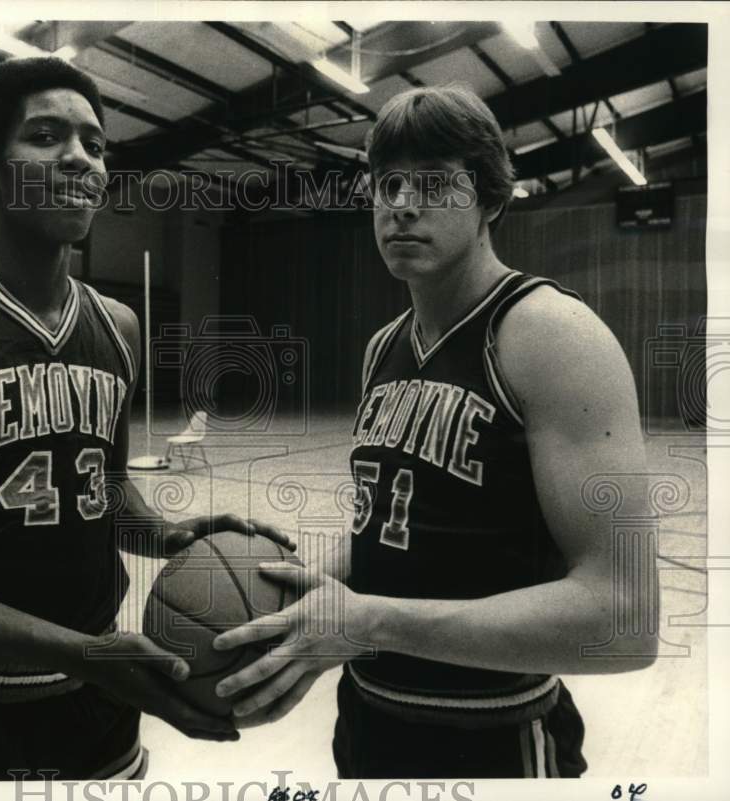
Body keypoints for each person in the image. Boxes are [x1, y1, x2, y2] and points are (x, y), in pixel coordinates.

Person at [0, 56, 290, 782]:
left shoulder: (120, 326)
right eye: (46, 136)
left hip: (101, 704)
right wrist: (79, 652)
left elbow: (102, 490)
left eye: (96, 145)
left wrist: (165, 533)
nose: (80, 158)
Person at [211, 85, 658, 778]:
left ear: (489, 201)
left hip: (494, 738)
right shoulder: (382, 348)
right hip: (366, 724)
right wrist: (284, 594)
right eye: (387, 183)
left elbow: (624, 616)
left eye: (434, 183)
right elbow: (400, 537)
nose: (402, 204)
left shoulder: (552, 335)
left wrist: (372, 622)